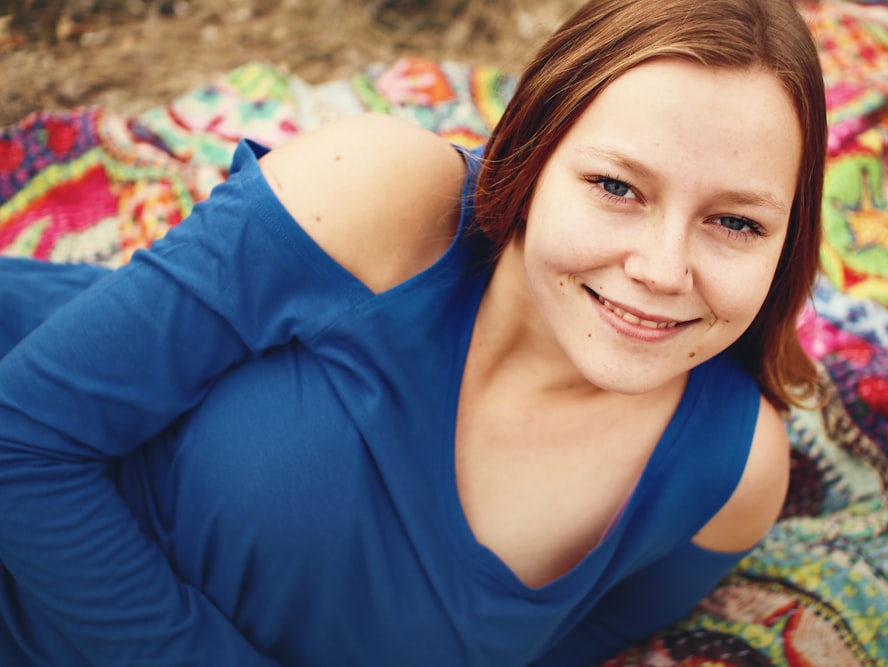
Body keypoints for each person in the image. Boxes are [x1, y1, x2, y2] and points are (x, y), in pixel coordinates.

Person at [0, 0, 826, 663]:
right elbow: (22, 438)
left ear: (791, 238)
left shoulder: (731, 476)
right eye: (616, 185)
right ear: (531, 155)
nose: (662, 267)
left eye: (737, 223)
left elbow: (587, 641)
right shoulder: (381, 194)